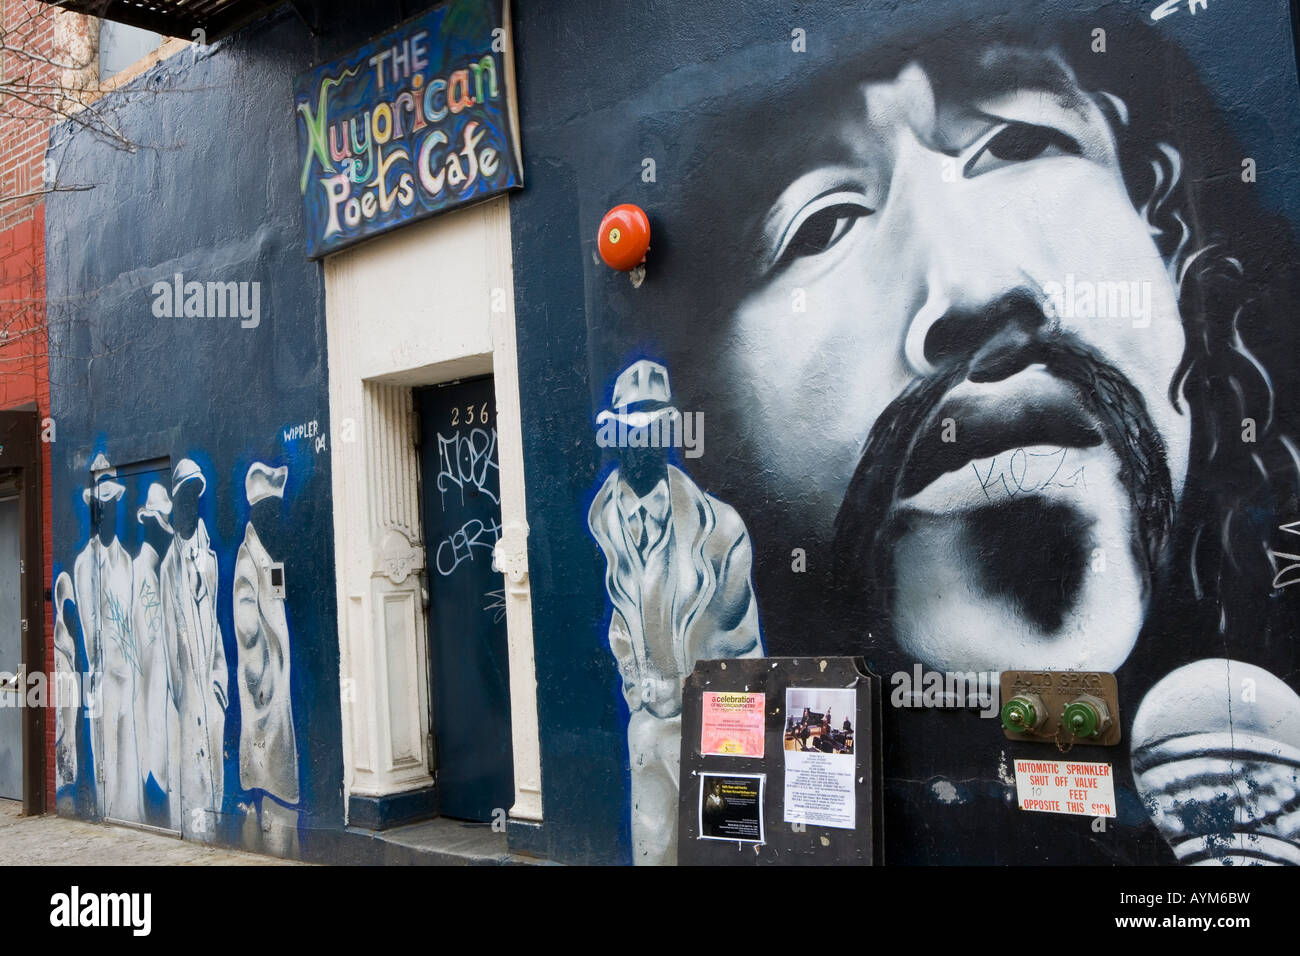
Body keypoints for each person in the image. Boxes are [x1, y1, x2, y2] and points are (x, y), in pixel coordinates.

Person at [588, 359, 764, 865]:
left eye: (654, 431)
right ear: (616, 437)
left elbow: (741, 641)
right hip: (646, 722)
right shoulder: (605, 524)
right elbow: (620, 626)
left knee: (725, 852)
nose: (641, 445)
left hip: (718, 723)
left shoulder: (721, 529)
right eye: (631, 432)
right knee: (654, 848)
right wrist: (637, 686)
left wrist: (726, 727)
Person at [233, 461, 300, 854]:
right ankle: (267, 834)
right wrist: (259, 680)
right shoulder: (248, 559)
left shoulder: (266, 554)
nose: (277, 516)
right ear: (258, 511)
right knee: (269, 775)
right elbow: (247, 626)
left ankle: (265, 826)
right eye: (270, 510)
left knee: (271, 776)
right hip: (264, 696)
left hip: (271, 695)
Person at [160, 458, 227, 840]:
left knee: (215, 774)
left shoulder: (209, 557)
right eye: (185, 495)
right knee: (195, 779)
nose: (192, 503)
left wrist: (219, 688)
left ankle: (212, 833)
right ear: (175, 501)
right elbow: (170, 643)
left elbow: (214, 623)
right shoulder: (169, 566)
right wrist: (184, 696)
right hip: (188, 699)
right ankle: (198, 835)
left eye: (196, 495)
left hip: (211, 693)